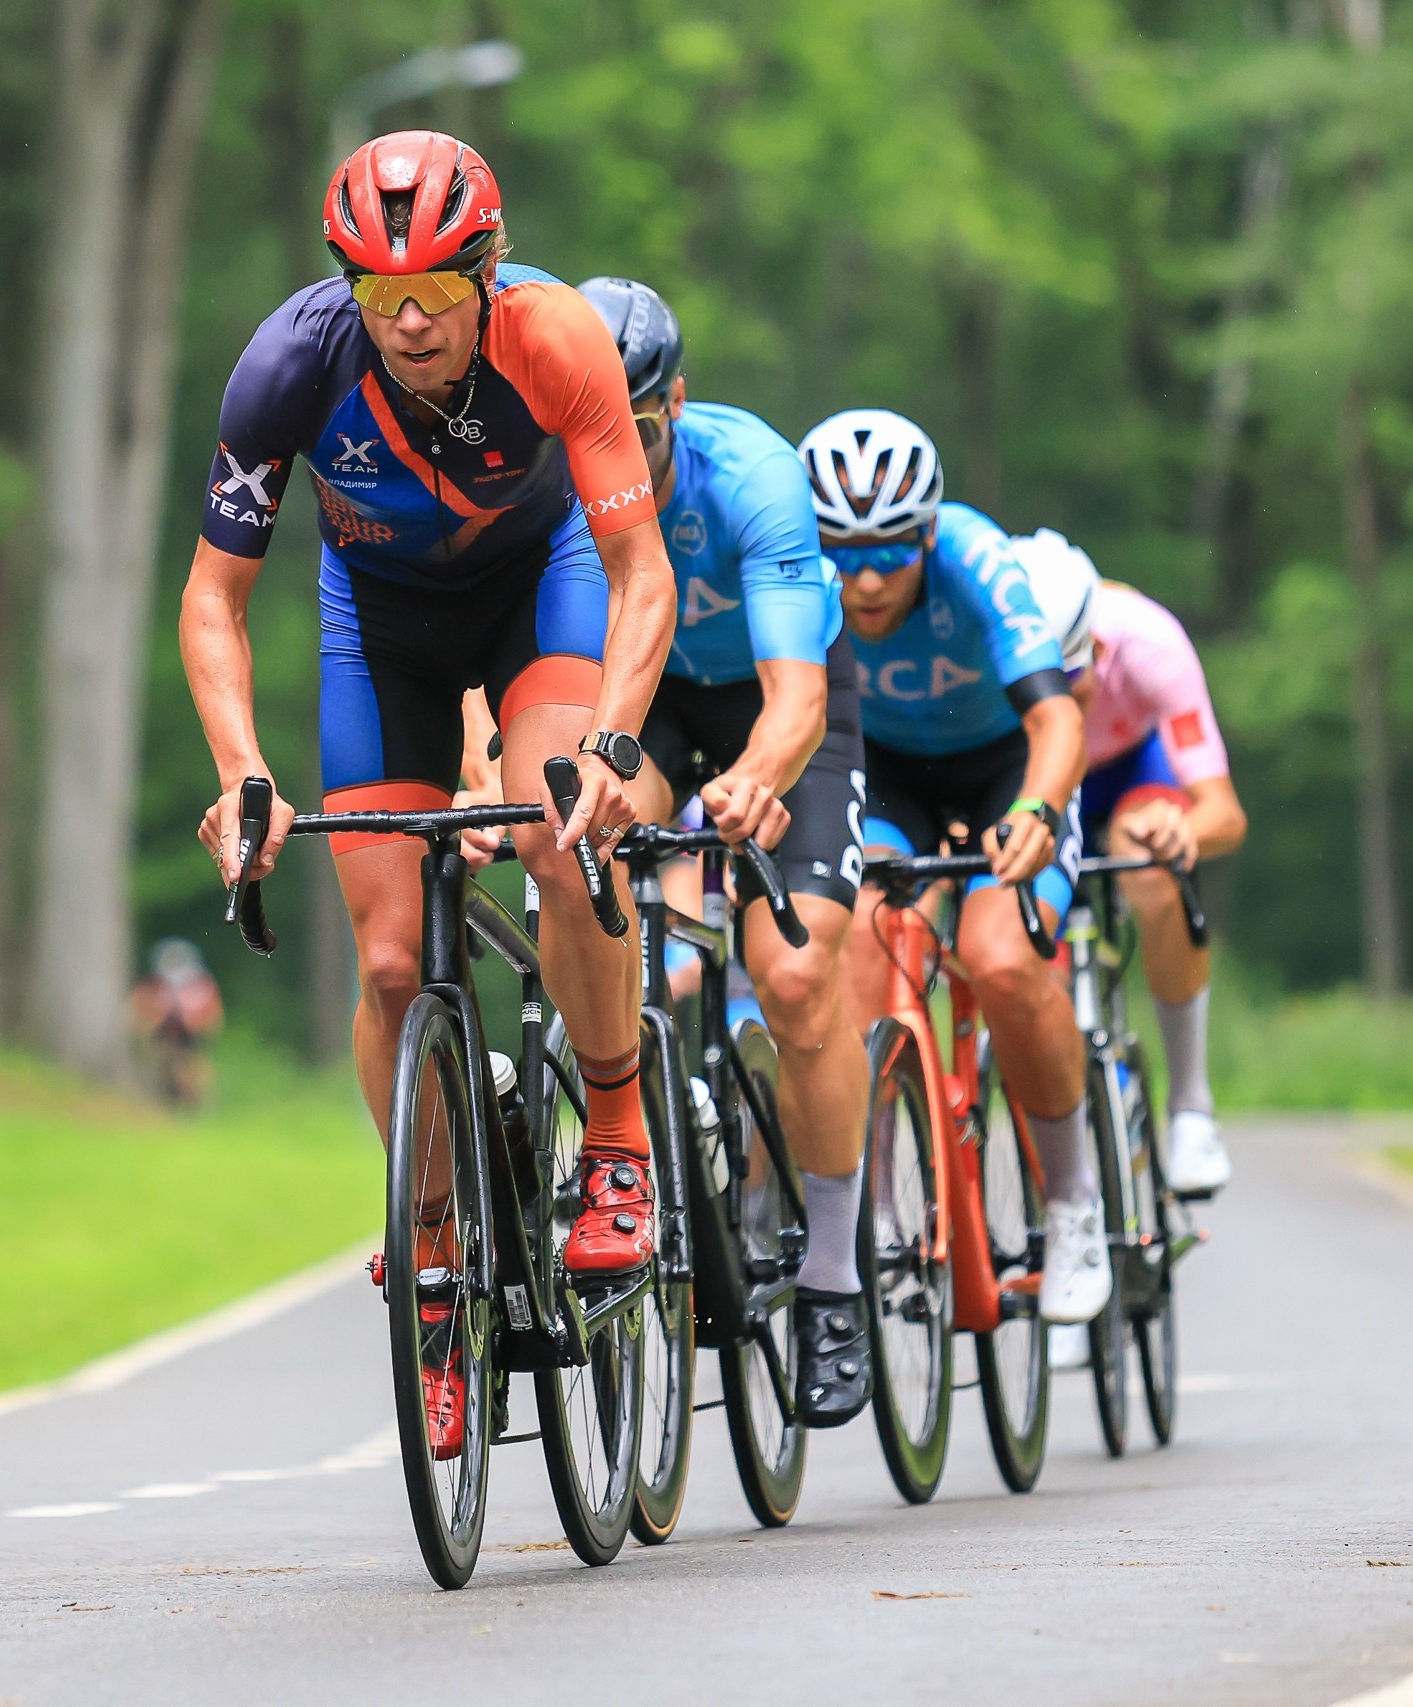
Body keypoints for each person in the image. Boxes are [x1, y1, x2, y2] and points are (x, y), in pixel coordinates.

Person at [178, 133, 678, 1453]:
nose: (406, 320)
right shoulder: (288, 367)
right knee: (391, 962)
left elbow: (640, 572)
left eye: (436, 292)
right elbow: (213, 601)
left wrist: (618, 752)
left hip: (542, 590)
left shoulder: (557, 339)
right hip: (380, 626)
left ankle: (618, 1127)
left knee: (552, 828)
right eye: (376, 290)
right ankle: (442, 1252)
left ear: (485, 270)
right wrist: (242, 770)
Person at [569, 277, 877, 1428]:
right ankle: (616, 1133)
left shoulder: (750, 476)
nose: (616, 457)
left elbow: (795, 693)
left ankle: (835, 1278)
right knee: (583, 833)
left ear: (675, 405)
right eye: (590, 431)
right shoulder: (546, 481)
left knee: (796, 978)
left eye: (637, 430)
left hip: (770, 706)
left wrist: (752, 780)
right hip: (646, 711)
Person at [797, 409, 1110, 1326]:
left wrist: (1037, 812)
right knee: (856, 934)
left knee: (1005, 958)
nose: (861, 579)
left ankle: (1074, 1204)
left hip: (1008, 763)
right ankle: (885, 1216)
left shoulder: (977, 560)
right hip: (889, 776)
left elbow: (1058, 721)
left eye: (888, 554)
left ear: (928, 532)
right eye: (839, 552)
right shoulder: (796, 574)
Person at [1013, 532, 1246, 1195]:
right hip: (1034, 784)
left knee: (1148, 860)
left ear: (1098, 649)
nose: (1060, 708)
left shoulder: (1149, 644)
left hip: (1127, 779)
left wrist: (1180, 827)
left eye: (1072, 685)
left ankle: (1192, 1106)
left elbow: (1224, 814)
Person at [130, 938, 226, 1108]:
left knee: (190, 1072)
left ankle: (193, 1104)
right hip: (162, 1041)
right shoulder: (153, 987)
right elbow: (136, 1015)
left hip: (190, 1042)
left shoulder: (202, 988)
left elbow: (212, 1022)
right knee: (163, 1072)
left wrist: (193, 1024)